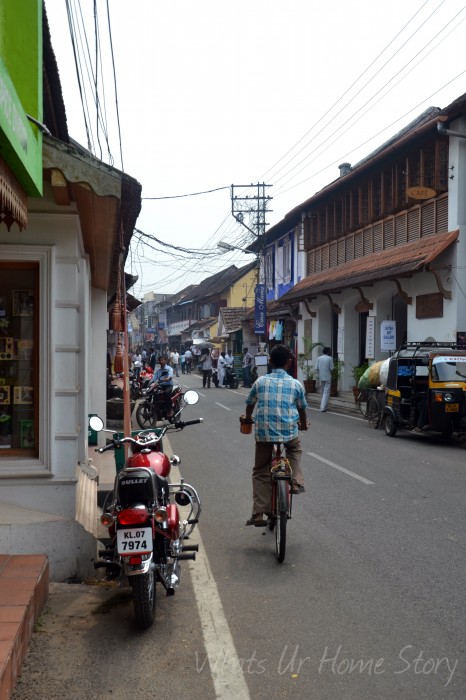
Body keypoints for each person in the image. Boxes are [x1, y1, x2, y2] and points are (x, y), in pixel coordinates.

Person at [242, 344, 309, 526]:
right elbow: (302, 409)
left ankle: (258, 513)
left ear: (270, 362)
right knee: (294, 450)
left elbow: (250, 404)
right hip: (289, 432)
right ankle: (295, 481)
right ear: (289, 362)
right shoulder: (296, 384)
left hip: (264, 433)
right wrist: (302, 424)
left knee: (260, 470)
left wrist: (248, 418)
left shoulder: (260, 382)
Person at [315, 347, 334, 412]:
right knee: (326, 392)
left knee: (322, 392)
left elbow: (316, 368)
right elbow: (332, 368)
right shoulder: (330, 358)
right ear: (328, 352)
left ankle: (323, 405)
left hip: (321, 377)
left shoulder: (319, 358)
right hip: (328, 377)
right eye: (330, 351)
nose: (330, 352)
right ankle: (323, 407)